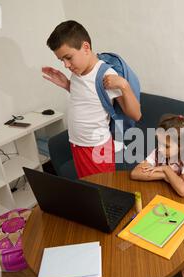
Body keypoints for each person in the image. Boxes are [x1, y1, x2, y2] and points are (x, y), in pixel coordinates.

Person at [42, 20, 141, 178]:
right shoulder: (77, 71)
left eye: (68, 58)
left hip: (96, 148)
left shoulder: (107, 76)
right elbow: (89, 98)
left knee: (103, 191)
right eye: (62, 60)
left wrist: (124, 86)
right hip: (77, 144)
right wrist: (67, 84)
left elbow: (136, 114)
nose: (66, 65)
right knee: (88, 188)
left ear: (86, 47)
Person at [130, 114, 184, 277]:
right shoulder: (158, 153)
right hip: (163, 202)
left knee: (182, 244)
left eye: (166, 146)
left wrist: (166, 170)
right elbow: (135, 173)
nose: (161, 149)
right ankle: (155, 266)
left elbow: (183, 191)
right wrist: (165, 174)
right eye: (159, 143)